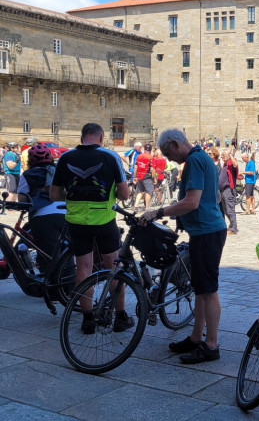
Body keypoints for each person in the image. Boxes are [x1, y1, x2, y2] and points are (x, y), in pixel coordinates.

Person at [140, 129, 227, 363]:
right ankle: (196, 337)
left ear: (177, 144)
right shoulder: (199, 159)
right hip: (205, 230)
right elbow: (212, 198)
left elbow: (192, 201)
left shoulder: (195, 161)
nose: (168, 159)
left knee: (208, 290)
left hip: (207, 232)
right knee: (200, 289)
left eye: (168, 153)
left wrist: (157, 212)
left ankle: (211, 345)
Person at [50, 123, 132, 334]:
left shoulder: (66, 158)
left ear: (82, 136)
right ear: (101, 137)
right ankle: (121, 316)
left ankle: (88, 319)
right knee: (113, 267)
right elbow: (124, 195)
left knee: (83, 268)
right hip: (104, 219)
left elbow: (55, 195)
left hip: (77, 221)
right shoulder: (110, 156)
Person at [17, 143, 66, 273]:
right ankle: (67, 282)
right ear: (50, 158)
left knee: (46, 254)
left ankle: (49, 285)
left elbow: (22, 200)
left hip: (42, 217)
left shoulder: (27, 175)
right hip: (65, 214)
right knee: (66, 252)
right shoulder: (59, 172)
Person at [219, 149, 238, 235]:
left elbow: (235, 164)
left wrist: (230, 155)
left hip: (228, 190)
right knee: (226, 210)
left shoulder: (231, 165)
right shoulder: (225, 165)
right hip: (223, 191)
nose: (221, 156)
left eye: (223, 155)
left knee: (230, 209)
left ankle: (233, 228)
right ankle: (230, 226)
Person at [133, 143, 155, 211]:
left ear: (144, 148)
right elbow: (152, 169)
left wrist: (135, 177)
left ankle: (136, 206)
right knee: (149, 192)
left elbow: (135, 167)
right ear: (150, 149)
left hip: (139, 176)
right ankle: (147, 208)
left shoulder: (139, 156)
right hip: (147, 176)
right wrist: (154, 178)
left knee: (140, 191)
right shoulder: (151, 157)